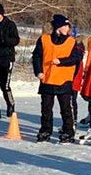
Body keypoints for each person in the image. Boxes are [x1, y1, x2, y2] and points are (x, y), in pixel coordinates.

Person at [32, 14, 82, 143]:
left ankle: (68, 132)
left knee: (65, 109)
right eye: (64, 25)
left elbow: (76, 58)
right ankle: (45, 131)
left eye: (67, 25)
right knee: (46, 109)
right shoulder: (44, 39)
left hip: (64, 80)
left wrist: (61, 61)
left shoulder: (71, 41)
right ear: (58, 27)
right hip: (47, 79)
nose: (67, 28)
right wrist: (38, 71)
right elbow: (36, 56)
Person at [71, 35, 86, 125]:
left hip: (73, 82)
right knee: (71, 101)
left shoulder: (77, 56)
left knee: (72, 101)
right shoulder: (78, 57)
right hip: (74, 82)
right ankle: (73, 120)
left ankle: (73, 120)